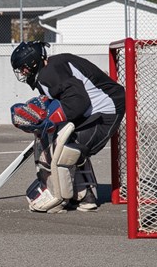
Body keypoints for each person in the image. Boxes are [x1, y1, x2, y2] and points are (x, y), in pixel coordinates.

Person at [10, 41, 125, 213]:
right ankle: (81, 194)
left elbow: (78, 101)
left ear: (34, 62)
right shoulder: (50, 70)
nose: (23, 72)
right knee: (58, 139)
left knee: (66, 147)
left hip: (107, 110)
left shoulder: (49, 74)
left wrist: (48, 121)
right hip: (95, 110)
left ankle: (75, 195)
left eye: (24, 67)